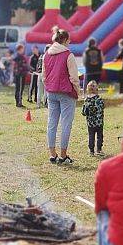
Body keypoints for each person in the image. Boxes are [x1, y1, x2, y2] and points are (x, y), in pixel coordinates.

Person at [42, 27, 81, 164]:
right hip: (66, 93)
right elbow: (74, 78)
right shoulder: (68, 55)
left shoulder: (46, 54)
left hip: (51, 92)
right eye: (68, 40)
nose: (70, 42)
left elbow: (44, 76)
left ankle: (53, 154)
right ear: (64, 40)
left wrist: (47, 89)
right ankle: (63, 156)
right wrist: (78, 91)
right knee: (66, 124)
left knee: (51, 123)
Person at [82, 80, 105, 156]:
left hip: (90, 123)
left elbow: (83, 112)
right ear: (97, 89)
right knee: (99, 136)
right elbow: (102, 107)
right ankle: (99, 150)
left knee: (91, 136)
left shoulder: (86, 100)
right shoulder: (99, 99)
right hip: (99, 122)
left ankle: (91, 151)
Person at [12, 44, 29, 108]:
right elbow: (21, 65)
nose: (23, 50)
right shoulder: (17, 56)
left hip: (21, 74)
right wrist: (27, 68)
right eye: (22, 49)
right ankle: (18, 102)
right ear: (19, 50)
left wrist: (28, 69)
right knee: (19, 89)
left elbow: (25, 65)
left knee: (20, 89)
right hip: (20, 75)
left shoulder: (21, 56)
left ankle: (19, 102)